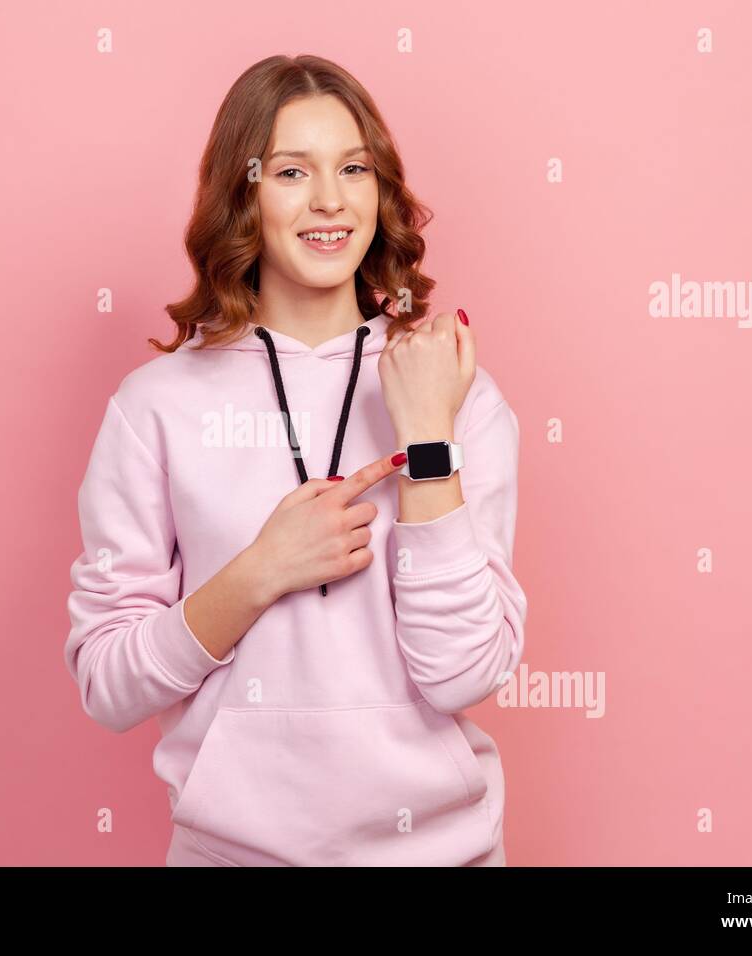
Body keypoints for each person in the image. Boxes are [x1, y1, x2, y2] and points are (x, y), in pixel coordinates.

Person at [64, 53, 527, 866]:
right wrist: (258, 574)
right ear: (241, 194)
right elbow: (108, 684)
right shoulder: (155, 407)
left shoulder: (452, 387)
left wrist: (427, 442)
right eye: (290, 171)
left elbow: (462, 675)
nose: (329, 200)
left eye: (353, 168)